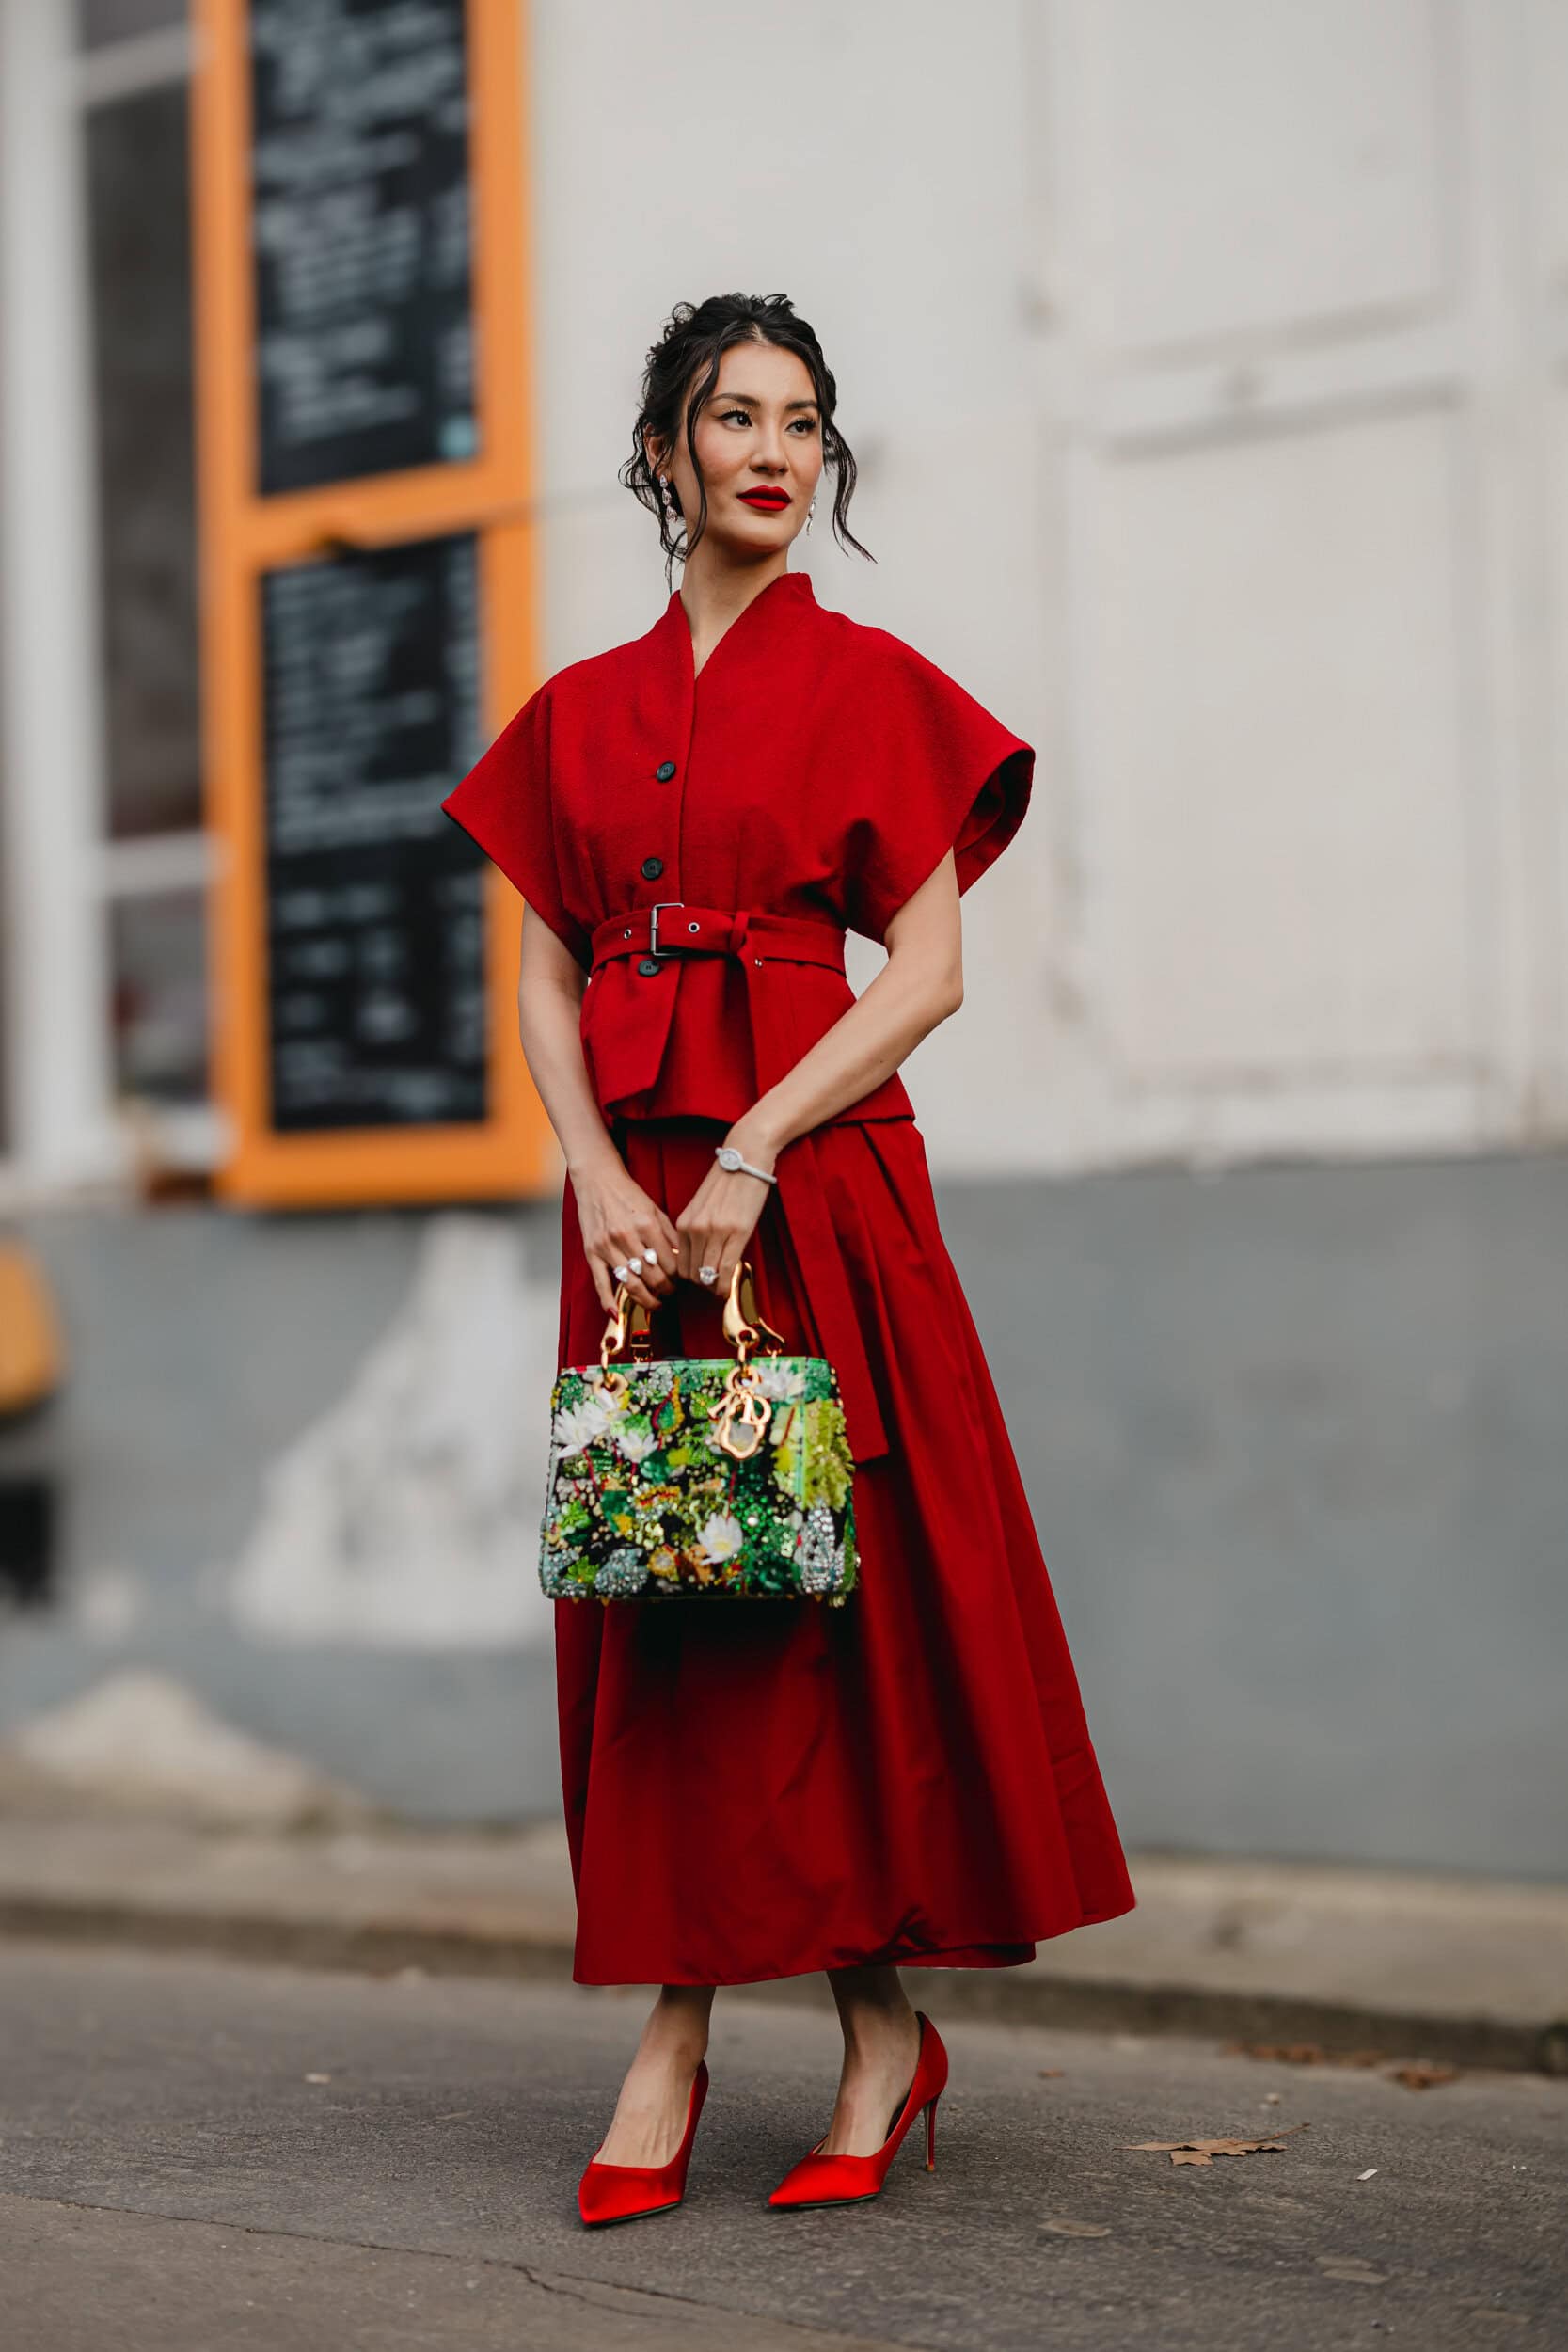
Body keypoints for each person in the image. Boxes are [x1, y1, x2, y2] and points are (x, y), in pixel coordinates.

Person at [442, 292, 1135, 2223]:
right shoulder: (576, 712)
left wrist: (752, 1141)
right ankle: (678, 2029)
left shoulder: (874, 681)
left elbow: (929, 969)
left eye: (804, 421)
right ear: (663, 451)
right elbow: (544, 979)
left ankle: (870, 2030)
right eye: (734, 416)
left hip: (812, 1184)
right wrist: (595, 1172)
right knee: (671, 1592)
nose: (773, 450)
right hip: (634, 1212)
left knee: (832, 1598)